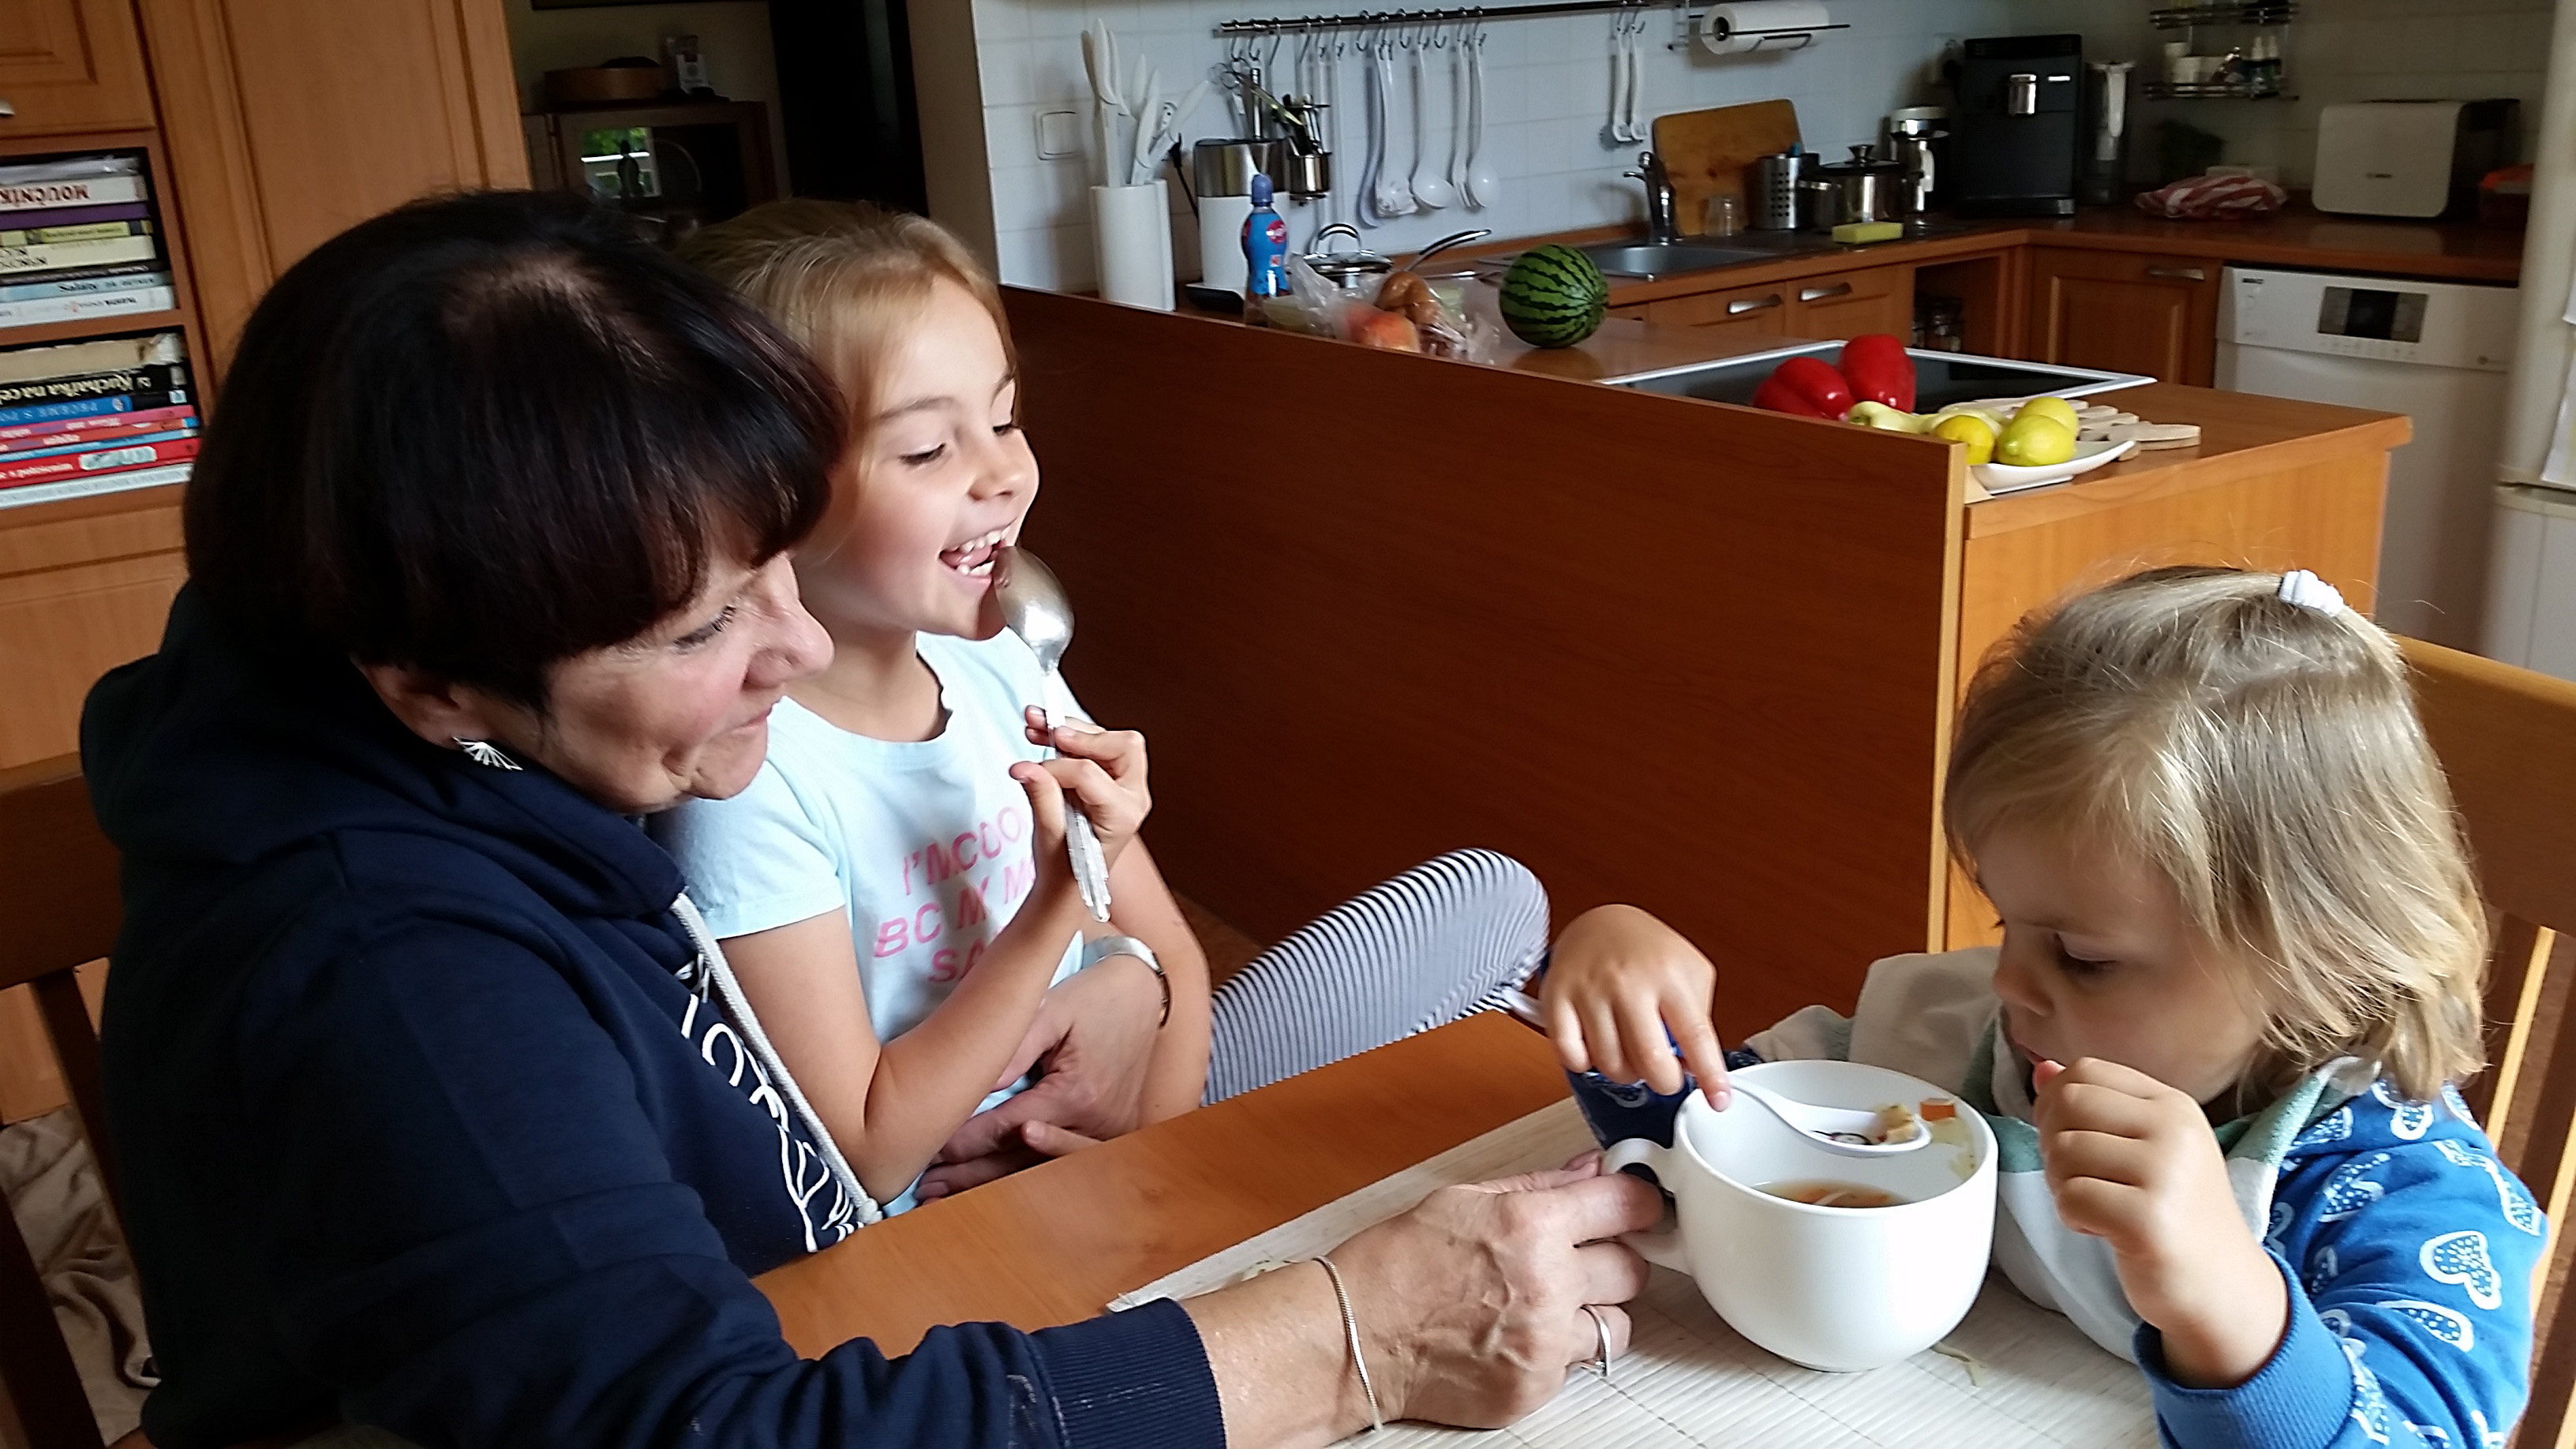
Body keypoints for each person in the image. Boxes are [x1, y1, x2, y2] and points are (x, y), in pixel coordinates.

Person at [82, 189, 1658, 1449]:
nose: (792, 646)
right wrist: (1347, 1338)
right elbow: (711, 1422)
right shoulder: (388, 978)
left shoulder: (477, 724)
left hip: (889, 1279)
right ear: (434, 687)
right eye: (705, 626)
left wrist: (1123, 978)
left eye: (777, 559)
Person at [655, 200, 1556, 1212]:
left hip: (1128, 1123)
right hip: (961, 1225)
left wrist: (1156, 1146)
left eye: (1003, 420)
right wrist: (1057, 910)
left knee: (1494, 896)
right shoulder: (752, 774)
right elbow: (862, 1154)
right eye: (928, 450)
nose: (1004, 474)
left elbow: (1174, 960)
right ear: (761, 494)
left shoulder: (1002, 664)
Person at [1538, 566, 2540, 1447]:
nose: (2009, 984)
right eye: (2005, 921)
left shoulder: (2405, 1195)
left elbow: (2415, 1429)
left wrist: (2226, 1297)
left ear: (2321, 962)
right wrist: (1625, 1007)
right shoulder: (1953, 1044)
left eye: (2083, 958)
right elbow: (1698, 1160)